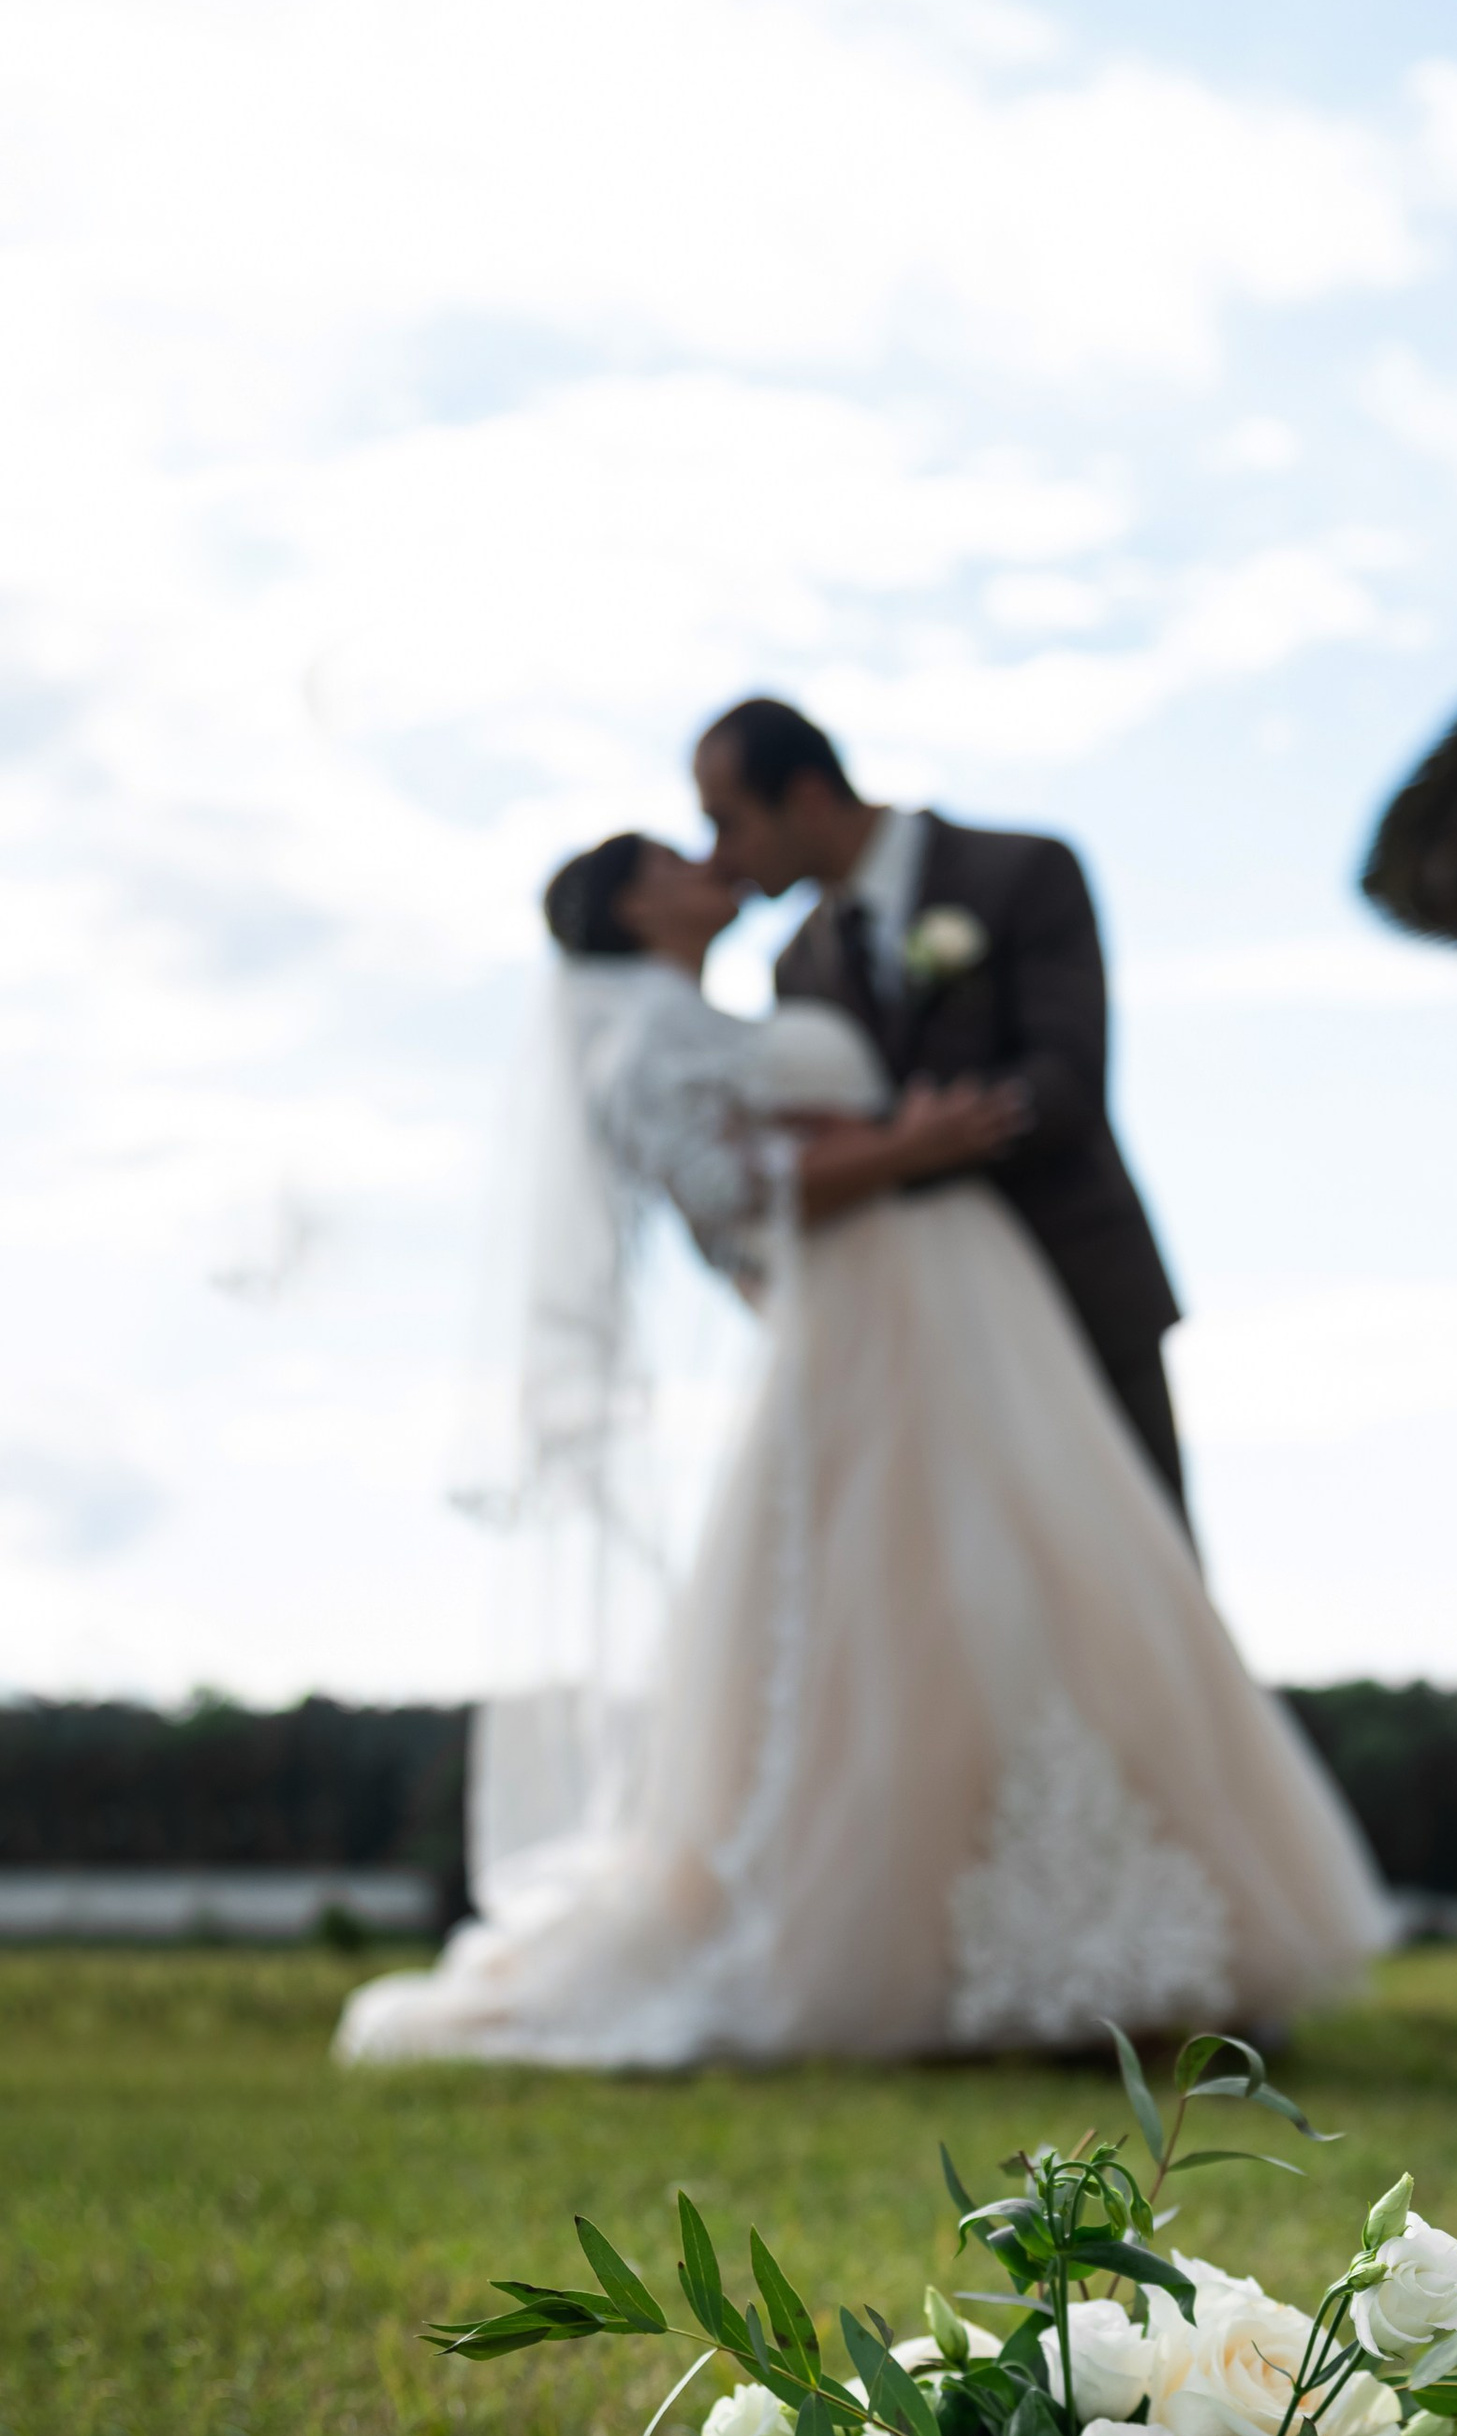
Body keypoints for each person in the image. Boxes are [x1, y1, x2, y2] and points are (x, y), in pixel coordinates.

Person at [334, 832, 1385, 2069]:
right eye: (681, 851)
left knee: (1038, 1590)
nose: (712, 857)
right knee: (883, 1623)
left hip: (966, 1305)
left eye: (720, 822)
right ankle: (929, 1952)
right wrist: (905, 1148)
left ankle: (1108, 1937)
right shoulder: (649, 1032)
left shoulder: (747, 991)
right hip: (870, 1322)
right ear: (632, 903)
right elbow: (719, 1188)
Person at [692, 698, 1188, 1515]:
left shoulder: (1024, 870)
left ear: (808, 796)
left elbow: (1065, 1079)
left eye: (729, 822)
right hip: (918, 1338)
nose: (721, 857)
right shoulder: (798, 966)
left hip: (1076, 1290)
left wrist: (901, 1144)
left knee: (1137, 1574)